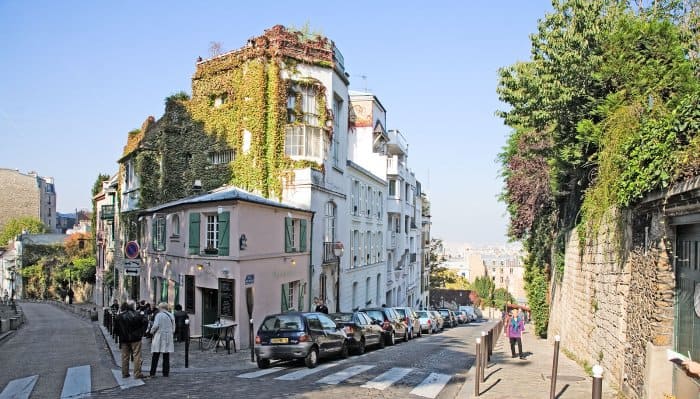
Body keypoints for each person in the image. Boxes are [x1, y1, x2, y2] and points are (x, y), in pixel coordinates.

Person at [115, 300, 148, 379]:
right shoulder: (138, 315)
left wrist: (120, 335)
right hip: (136, 338)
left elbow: (116, 329)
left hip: (124, 339)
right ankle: (137, 373)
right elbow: (145, 322)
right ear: (133, 306)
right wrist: (141, 333)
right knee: (137, 356)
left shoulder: (120, 316)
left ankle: (125, 373)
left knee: (125, 356)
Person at [148, 302, 175, 377]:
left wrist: (151, 332)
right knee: (166, 356)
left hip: (159, 336)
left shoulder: (159, 315)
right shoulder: (171, 315)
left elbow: (155, 325)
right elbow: (173, 328)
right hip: (168, 337)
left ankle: (152, 373)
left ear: (161, 308)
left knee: (155, 355)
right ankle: (166, 373)